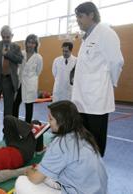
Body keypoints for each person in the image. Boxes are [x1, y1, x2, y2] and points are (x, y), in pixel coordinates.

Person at [15, 100, 108, 194]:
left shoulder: (60, 144)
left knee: (22, 182)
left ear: (61, 122)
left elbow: (35, 179)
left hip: (79, 190)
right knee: (48, 176)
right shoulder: (83, 135)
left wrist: (29, 172)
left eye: (51, 119)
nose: (48, 122)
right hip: (97, 190)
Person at [72, 2, 124, 157]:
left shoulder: (106, 33)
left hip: (96, 100)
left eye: (80, 17)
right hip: (82, 100)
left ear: (91, 15)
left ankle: (95, 171)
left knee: (96, 143)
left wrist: (111, 83)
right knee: (85, 141)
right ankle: (86, 169)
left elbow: (116, 62)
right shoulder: (86, 38)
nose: (78, 21)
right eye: (77, 17)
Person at [0, 25, 23, 141]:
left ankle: (7, 132)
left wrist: (7, 54)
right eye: (4, 36)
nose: (6, 39)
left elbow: (20, 59)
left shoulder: (16, 47)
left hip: (9, 80)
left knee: (8, 110)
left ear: (12, 36)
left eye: (8, 37)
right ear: (1, 36)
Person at [13, 34, 43, 123]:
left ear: (36, 44)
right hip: (20, 83)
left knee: (29, 106)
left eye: (33, 43)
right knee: (15, 104)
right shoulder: (21, 53)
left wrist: (31, 78)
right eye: (29, 42)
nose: (30, 45)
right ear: (26, 43)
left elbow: (38, 71)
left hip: (30, 85)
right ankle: (15, 124)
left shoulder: (38, 57)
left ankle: (26, 127)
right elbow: (18, 66)